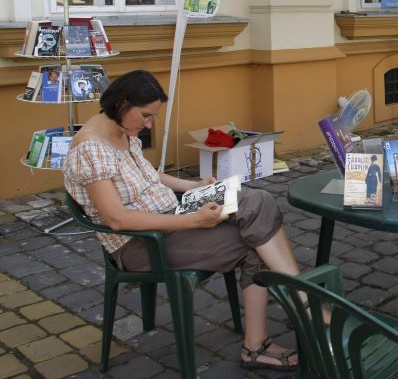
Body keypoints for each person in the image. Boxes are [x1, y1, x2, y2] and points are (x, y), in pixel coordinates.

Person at [62, 70, 301, 372]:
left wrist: (192, 186)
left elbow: (148, 175)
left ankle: (300, 297)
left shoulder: (123, 131)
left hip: (170, 218)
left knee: (258, 201)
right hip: (143, 244)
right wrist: (195, 222)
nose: (149, 124)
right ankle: (272, 331)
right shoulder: (90, 149)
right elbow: (117, 219)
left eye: (153, 117)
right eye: (146, 116)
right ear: (122, 104)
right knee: (255, 240)